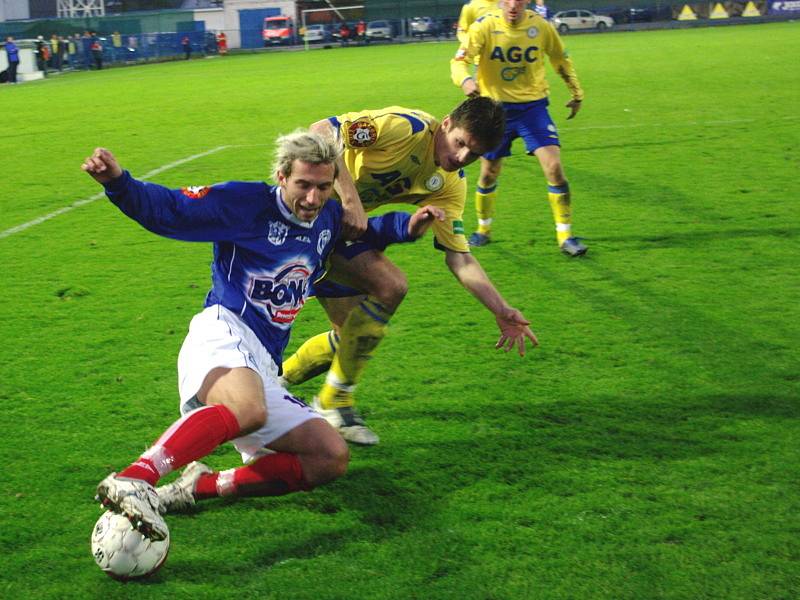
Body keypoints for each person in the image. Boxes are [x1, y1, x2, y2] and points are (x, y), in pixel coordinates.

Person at [82, 132, 445, 539]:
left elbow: (356, 236)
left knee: (329, 456)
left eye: (323, 187)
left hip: (262, 362)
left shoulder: (324, 216)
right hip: (224, 331)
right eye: (303, 185)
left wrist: (405, 227)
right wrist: (118, 183)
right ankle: (134, 478)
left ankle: (199, 486)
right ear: (281, 177)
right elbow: (171, 209)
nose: (312, 198)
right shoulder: (246, 204)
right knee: (249, 409)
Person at [281, 96, 538, 445]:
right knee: (391, 286)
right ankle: (334, 401)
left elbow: (459, 257)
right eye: (460, 143)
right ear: (446, 123)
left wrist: (501, 308)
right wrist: (353, 201)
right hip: (303, 217)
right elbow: (322, 130)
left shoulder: (450, 185)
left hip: (336, 232)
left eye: (474, 154)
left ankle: (280, 381)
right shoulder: (405, 127)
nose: (462, 157)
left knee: (351, 338)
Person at [451, 0, 587, 256]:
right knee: (489, 173)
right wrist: (466, 80)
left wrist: (576, 93)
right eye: (508, 0)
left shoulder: (541, 27)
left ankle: (566, 236)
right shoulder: (484, 25)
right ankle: (483, 230)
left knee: (554, 168)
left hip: (532, 109)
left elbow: (560, 58)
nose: (513, 5)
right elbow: (459, 60)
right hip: (495, 110)